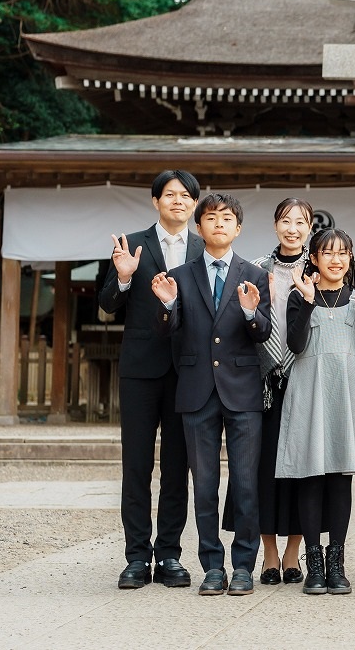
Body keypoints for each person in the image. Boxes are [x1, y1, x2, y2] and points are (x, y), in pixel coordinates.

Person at [152, 193, 271, 596]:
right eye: (211, 218)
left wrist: (252, 312)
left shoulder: (253, 274)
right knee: (203, 485)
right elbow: (166, 331)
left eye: (227, 218)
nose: (219, 223)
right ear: (199, 227)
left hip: (243, 392)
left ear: (238, 228)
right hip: (197, 390)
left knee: (245, 483)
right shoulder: (180, 275)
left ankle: (243, 566)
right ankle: (212, 566)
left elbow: (263, 333)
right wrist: (167, 306)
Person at [100, 169, 204, 590]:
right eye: (170, 194)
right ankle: (137, 558)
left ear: (194, 204)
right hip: (140, 370)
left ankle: (170, 555)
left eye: (186, 196)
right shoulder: (132, 244)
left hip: (187, 371)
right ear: (155, 201)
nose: (178, 201)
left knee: (178, 468)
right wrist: (124, 277)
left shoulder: (203, 247)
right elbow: (107, 304)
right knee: (137, 465)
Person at [278, 228, 355, 594]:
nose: (336, 260)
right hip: (310, 390)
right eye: (327, 253)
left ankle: (336, 563)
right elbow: (295, 345)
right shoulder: (300, 295)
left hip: (347, 393)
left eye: (343, 253)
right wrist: (308, 301)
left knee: (341, 478)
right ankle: (314, 563)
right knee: (310, 475)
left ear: (350, 258)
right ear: (314, 258)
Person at [220, 198, 311, 586]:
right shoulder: (255, 268)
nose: (293, 228)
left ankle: (293, 553)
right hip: (263, 382)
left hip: (306, 378)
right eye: (286, 221)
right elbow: (242, 323)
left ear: (310, 228)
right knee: (262, 469)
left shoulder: (318, 269)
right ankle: (269, 553)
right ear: (275, 225)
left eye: (301, 222)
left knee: (303, 470)